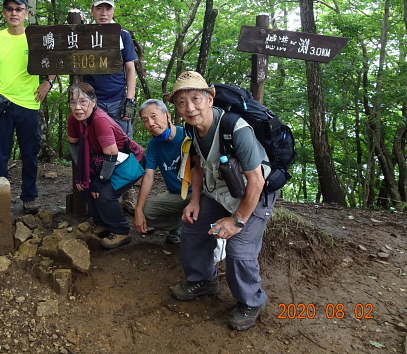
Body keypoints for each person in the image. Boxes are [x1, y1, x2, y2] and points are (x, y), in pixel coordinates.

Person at [167, 71, 275, 332]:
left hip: (253, 196)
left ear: (210, 99)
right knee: (192, 227)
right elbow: (196, 165)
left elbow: (257, 183)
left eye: (196, 98)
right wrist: (194, 201)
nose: (190, 107)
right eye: (182, 102)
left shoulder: (235, 128)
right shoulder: (193, 128)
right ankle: (203, 280)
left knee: (238, 250)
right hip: (220, 191)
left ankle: (251, 301)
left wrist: (237, 221)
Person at [0, 0, 56, 215]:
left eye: (19, 9)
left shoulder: (37, 38)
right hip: (2, 103)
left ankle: (29, 197)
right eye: (9, 9)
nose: (14, 13)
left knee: (30, 154)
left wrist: (48, 82)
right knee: (0, 153)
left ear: (26, 13)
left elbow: (56, 59)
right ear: (3, 13)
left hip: (30, 103)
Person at [67, 82, 145, 250]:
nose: (77, 107)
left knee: (103, 194)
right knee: (86, 186)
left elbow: (111, 153)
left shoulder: (100, 120)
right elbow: (73, 144)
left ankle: (121, 230)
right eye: (73, 102)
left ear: (94, 102)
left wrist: (101, 180)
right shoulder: (74, 119)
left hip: (130, 161)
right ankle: (102, 223)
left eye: (83, 101)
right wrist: (83, 172)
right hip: (104, 160)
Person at [134, 99, 191, 244]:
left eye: (154, 116)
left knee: (203, 214)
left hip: (197, 194)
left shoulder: (187, 135)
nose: (151, 123)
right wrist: (138, 210)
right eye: (145, 120)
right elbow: (148, 176)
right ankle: (178, 226)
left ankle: (195, 230)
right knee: (146, 213)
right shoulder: (154, 145)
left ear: (168, 116)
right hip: (176, 195)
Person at [83, 0, 137, 138]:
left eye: (108, 8)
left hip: (118, 100)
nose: (104, 13)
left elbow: (130, 68)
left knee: (124, 144)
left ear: (114, 11)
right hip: (92, 101)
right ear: (92, 10)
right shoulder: (83, 34)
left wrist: (130, 100)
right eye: (99, 8)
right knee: (94, 143)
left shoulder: (123, 34)